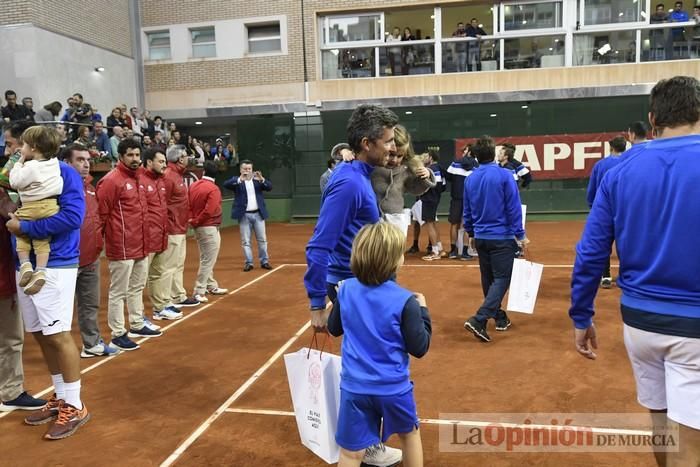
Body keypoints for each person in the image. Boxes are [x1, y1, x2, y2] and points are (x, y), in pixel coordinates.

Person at [569, 76, 700, 466]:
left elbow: (591, 252)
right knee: (689, 446)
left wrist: (581, 315)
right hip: (693, 327)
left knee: (661, 424)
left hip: (640, 325)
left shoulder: (620, 170)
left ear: (652, 117)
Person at [303, 103, 401, 467]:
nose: (392, 147)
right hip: (351, 288)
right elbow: (318, 246)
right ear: (366, 143)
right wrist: (316, 303)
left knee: (367, 365)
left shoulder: (359, 174)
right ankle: (360, 447)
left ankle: (366, 442)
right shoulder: (347, 182)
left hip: (364, 284)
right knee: (365, 368)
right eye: (387, 141)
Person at [6, 125, 89, 439]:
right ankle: (60, 397)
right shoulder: (25, 170)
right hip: (25, 264)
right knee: (40, 334)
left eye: (19, 144)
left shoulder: (65, 173)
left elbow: (72, 218)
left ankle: (76, 405)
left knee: (58, 335)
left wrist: (23, 226)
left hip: (56, 264)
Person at [328, 222, 431, 467]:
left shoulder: (346, 290)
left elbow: (334, 329)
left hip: (355, 387)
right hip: (393, 388)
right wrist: (423, 310)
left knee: (351, 453)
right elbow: (420, 347)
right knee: (410, 436)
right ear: (395, 261)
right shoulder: (406, 301)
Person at [96, 138, 162, 352]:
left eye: (137, 155)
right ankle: (117, 334)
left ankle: (136, 324)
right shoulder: (111, 181)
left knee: (136, 287)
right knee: (118, 292)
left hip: (141, 244)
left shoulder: (140, 178)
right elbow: (102, 215)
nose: (135, 159)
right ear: (121, 156)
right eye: (130, 155)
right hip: (122, 246)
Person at [463, 135, 528, 343]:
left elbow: (468, 210)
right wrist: (520, 235)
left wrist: (471, 233)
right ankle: (479, 319)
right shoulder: (505, 175)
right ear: (492, 154)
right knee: (503, 278)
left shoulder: (470, 178)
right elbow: (513, 207)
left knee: (488, 279)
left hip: (481, 237)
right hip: (501, 237)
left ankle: (499, 317)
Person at [0, 122, 45, 412]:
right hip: (3, 274)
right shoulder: (9, 187)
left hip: (7, 269)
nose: (10, 152)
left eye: (13, 146)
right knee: (10, 338)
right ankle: (11, 390)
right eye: (9, 146)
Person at [60, 143, 118, 357]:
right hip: (66, 260)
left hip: (91, 258)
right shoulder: (58, 187)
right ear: (66, 163)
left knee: (90, 305)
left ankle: (91, 344)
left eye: (87, 160)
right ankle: (60, 352)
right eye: (80, 160)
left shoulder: (91, 188)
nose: (86, 164)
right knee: (61, 312)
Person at [9, 126, 64, 295]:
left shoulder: (31, 166)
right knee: (42, 240)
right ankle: (40, 270)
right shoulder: (54, 163)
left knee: (20, 231)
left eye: (24, 145)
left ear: (33, 148)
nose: (22, 148)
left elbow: (14, 182)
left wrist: (19, 162)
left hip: (31, 207)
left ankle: (25, 264)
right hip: (50, 207)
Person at [141, 148, 182, 322]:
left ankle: (160, 307)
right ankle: (137, 317)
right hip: (147, 238)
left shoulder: (160, 181)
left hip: (161, 236)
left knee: (157, 274)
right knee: (139, 281)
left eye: (165, 161)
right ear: (150, 162)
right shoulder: (141, 180)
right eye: (160, 161)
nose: (164, 164)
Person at [370, 124, 434, 237]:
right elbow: (359, 151)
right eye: (391, 154)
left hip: (395, 222)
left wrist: (426, 176)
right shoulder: (371, 163)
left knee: (395, 254)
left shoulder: (406, 169)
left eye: (400, 156)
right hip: (370, 221)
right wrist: (344, 151)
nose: (394, 160)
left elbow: (415, 189)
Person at [162, 145, 199, 307]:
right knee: (169, 265)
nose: (187, 158)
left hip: (180, 227)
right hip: (172, 228)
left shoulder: (176, 175)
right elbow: (162, 203)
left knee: (178, 264)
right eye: (185, 155)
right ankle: (166, 298)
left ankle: (178, 295)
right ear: (179, 158)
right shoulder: (169, 176)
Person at [223, 160, 272, 272]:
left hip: (258, 214)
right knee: (245, 241)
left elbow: (269, 187)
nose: (247, 171)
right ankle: (249, 263)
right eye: (245, 169)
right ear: (241, 170)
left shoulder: (257, 181)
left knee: (262, 240)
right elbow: (226, 184)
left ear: (252, 169)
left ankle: (264, 261)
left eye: (249, 169)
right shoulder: (237, 181)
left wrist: (262, 179)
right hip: (244, 215)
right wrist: (240, 179)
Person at [189, 161, 228, 301]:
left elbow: (188, 204)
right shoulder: (213, 189)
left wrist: (193, 221)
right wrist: (197, 220)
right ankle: (199, 290)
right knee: (208, 260)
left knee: (206, 258)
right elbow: (210, 210)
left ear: (204, 172)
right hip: (209, 227)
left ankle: (211, 285)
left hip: (199, 227)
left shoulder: (193, 185)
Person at [445, 145, 478, 260]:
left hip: (456, 198)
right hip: (470, 199)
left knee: (454, 224)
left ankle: (453, 251)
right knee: (466, 225)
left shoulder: (456, 162)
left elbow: (448, 176)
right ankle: (464, 252)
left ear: (469, 151)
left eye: (465, 150)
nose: (463, 151)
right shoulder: (477, 165)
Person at [419, 151, 447, 261]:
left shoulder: (431, 169)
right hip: (434, 199)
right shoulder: (438, 168)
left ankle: (435, 252)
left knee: (430, 224)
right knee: (433, 223)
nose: (424, 158)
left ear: (430, 158)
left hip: (429, 199)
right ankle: (440, 249)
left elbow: (430, 185)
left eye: (426, 156)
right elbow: (443, 185)